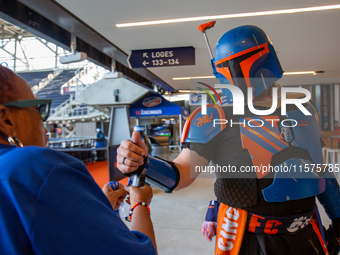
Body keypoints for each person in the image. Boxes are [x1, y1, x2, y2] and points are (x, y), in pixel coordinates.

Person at [117, 24, 340, 255]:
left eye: (243, 60)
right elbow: (180, 173)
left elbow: (319, 169)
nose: (238, 72)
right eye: (231, 64)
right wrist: (143, 163)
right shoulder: (214, 117)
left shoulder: (300, 108)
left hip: (307, 234)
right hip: (247, 238)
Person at [0, 66, 157, 255]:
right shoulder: (34, 168)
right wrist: (139, 204)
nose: (45, 126)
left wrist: (96, 209)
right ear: (6, 120)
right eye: (38, 109)